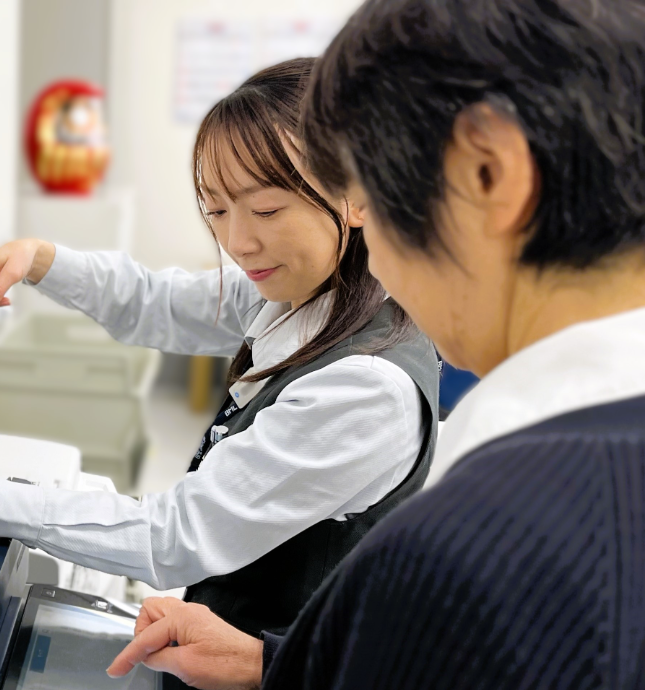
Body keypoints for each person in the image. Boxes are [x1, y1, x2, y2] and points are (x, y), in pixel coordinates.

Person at [107, 0, 645, 688]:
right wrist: (274, 664)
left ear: (489, 173)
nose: (376, 260)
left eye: (366, 200)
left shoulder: (482, 548)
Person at [0, 59, 439, 641]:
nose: (238, 242)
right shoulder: (305, 289)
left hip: (260, 656)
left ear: (357, 197)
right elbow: (158, 302)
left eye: (268, 210)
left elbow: (177, 535)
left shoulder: (366, 387)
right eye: (218, 211)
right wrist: (38, 259)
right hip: (214, 613)